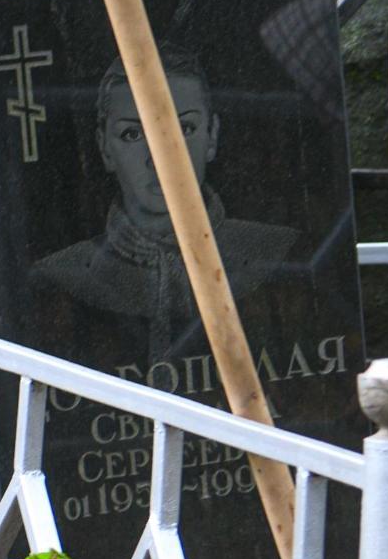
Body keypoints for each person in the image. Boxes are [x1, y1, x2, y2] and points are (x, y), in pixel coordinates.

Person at [33, 63, 298, 366]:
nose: (159, 155)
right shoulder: (59, 277)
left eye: (184, 128)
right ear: (104, 148)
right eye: (132, 134)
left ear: (212, 136)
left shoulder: (282, 251)